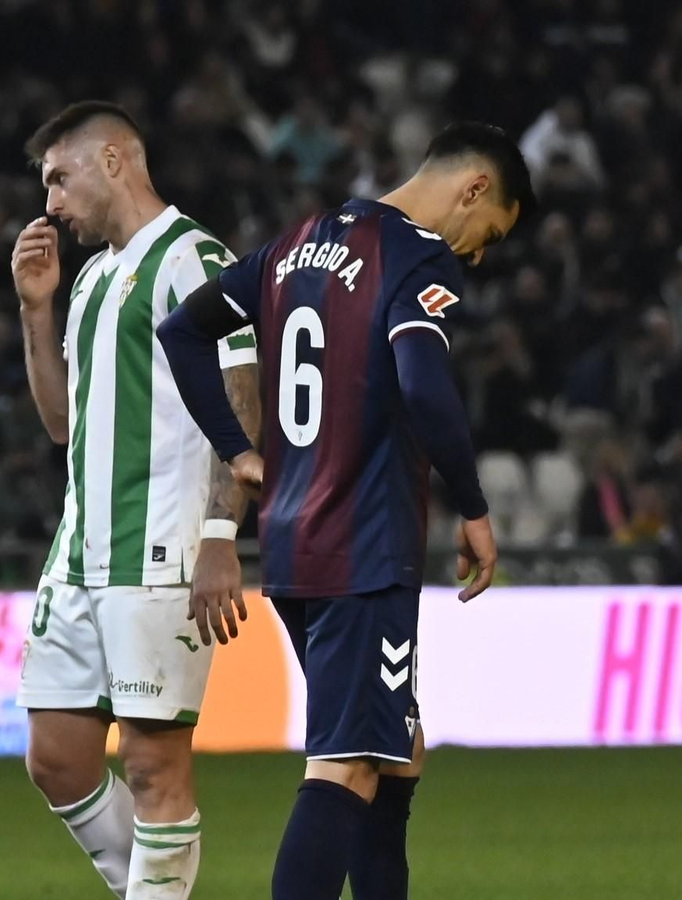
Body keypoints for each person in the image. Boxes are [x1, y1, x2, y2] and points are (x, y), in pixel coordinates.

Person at [157, 121, 534, 900]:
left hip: (295, 544)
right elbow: (425, 383)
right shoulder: (414, 254)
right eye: (489, 231)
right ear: (472, 190)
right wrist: (471, 506)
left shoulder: (295, 248)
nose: (477, 253)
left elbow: (182, 332)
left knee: (398, 750)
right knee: (348, 763)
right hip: (364, 544)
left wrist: (238, 450)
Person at [10, 101, 260, 900]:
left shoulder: (195, 260)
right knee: (56, 757)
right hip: (80, 549)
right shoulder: (91, 277)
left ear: (114, 160)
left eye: (60, 177)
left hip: (161, 545)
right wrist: (35, 308)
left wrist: (221, 534)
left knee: (153, 764)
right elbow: (60, 421)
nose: (49, 202)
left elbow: (242, 398)